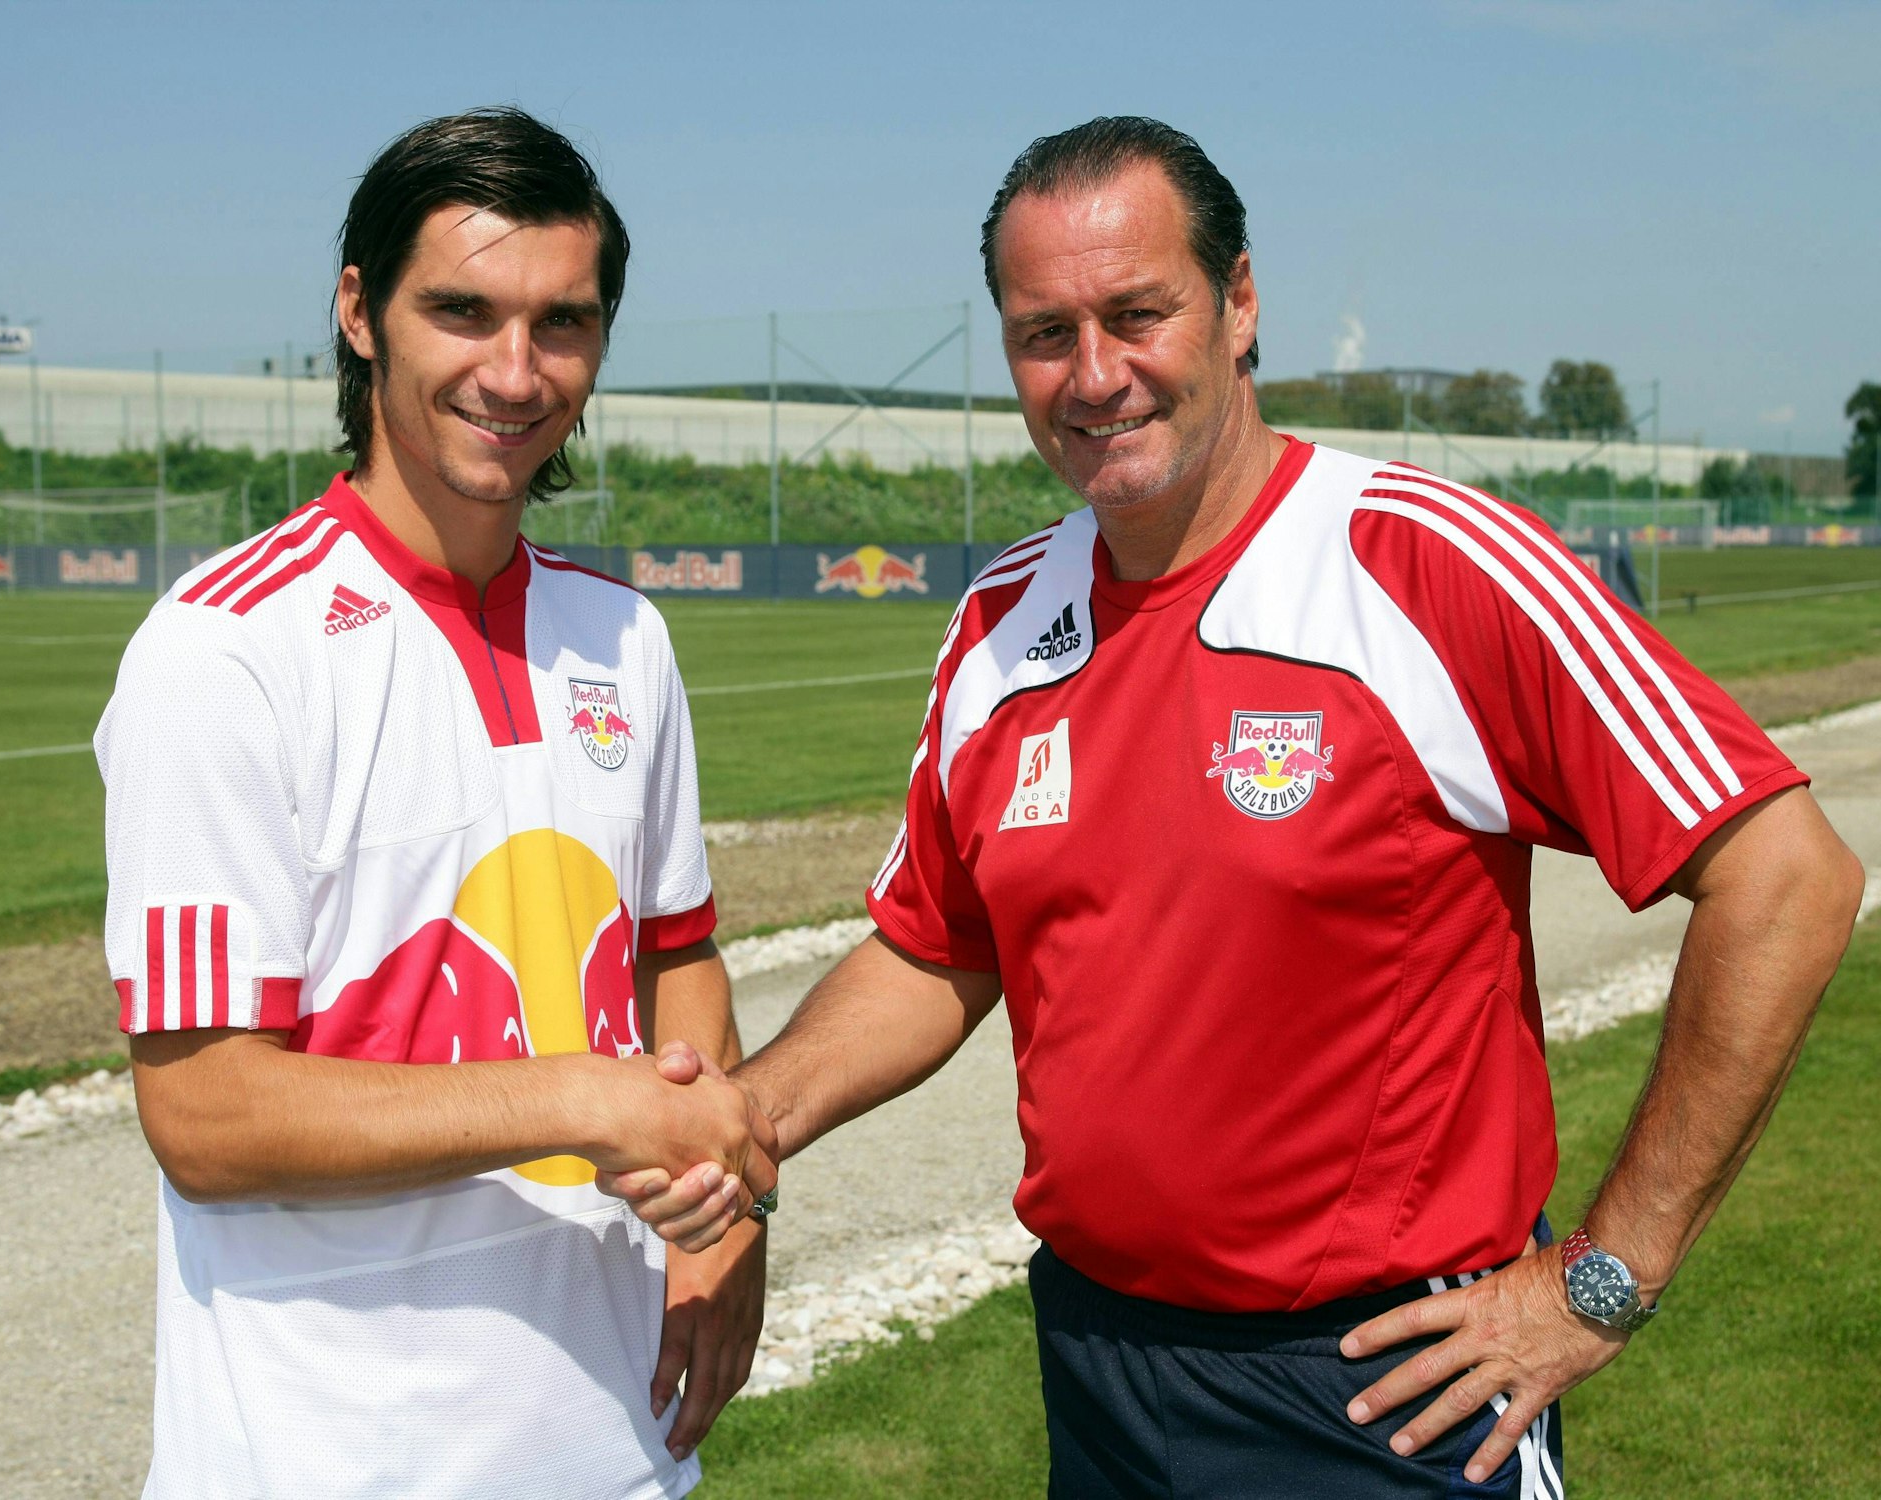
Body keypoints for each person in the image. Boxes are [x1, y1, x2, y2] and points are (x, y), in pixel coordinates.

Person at [601, 117, 1865, 1497]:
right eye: (1044, 333)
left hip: (1388, 1385)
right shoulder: (1001, 623)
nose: (1095, 376)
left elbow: (1787, 876)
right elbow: (940, 945)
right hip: (1097, 1363)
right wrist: (755, 1112)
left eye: (1139, 314)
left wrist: (1603, 1279)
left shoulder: (1419, 563)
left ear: (1240, 302)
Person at [96, 107, 775, 1500]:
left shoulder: (625, 641)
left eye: (564, 324)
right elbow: (208, 1119)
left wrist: (719, 1212)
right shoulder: (223, 650)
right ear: (360, 313)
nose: (515, 373)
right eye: (461, 312)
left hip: (618, 1449)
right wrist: (591, 1098)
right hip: (326, 1463)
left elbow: (676, 958)